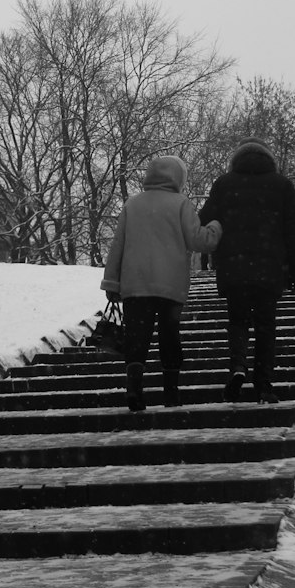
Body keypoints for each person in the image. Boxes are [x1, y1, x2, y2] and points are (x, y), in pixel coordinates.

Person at [101, 155, 222, 412]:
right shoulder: (181, 204)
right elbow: (199, 241)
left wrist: (112, 282)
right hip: (170, 286)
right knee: (169, 336)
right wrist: (215, 227)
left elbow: (118, 245)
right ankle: (171, 392)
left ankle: (134, 388)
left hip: (136, 285)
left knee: (137, 337)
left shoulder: (131, 205)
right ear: (178, 178)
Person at [199, 138, 295, 405]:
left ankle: (237, 366)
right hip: (270, 268)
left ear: (237, 160)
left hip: (234, 267)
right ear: (269, 159)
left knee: (237, 321)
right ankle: (263, 385)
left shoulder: (224, 183)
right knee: (266, 325)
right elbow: (294, 230)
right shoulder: (282, 185)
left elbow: (205, 220)